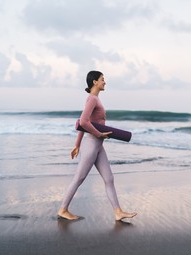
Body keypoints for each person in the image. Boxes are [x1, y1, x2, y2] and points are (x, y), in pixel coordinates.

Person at [57, 71, 137, 221]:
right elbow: (83, 122)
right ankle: (63, 209)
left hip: (98, 146)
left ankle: (118, 212)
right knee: (79, 178)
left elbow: (84, 123)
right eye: (102, 79)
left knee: (109, 178)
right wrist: (98, 135)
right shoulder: (92, 99)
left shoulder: (93, 99)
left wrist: (76, 145)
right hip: (92, 144)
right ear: (95, 82)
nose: (104, 82)